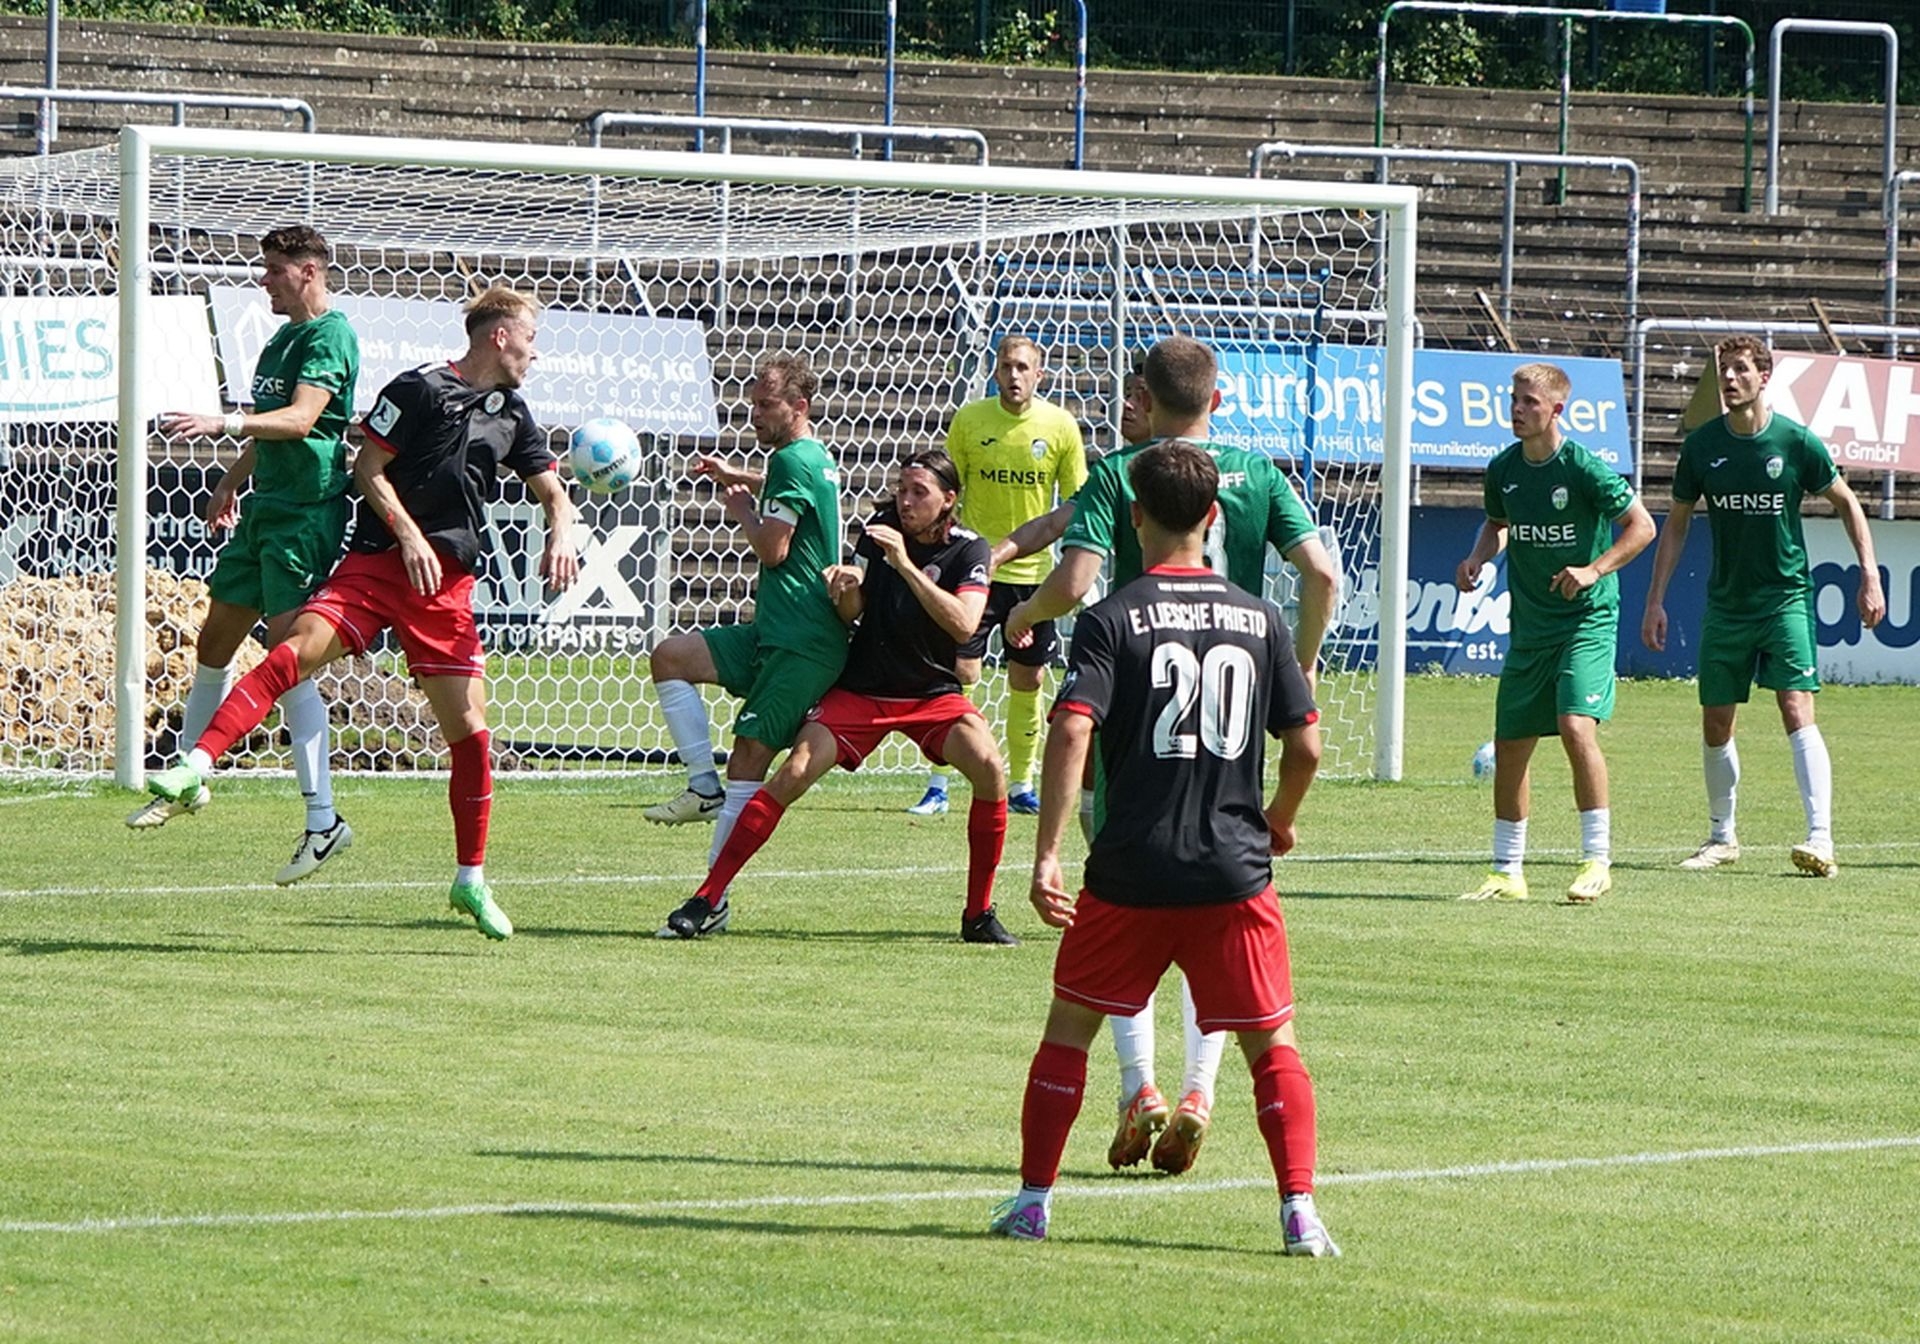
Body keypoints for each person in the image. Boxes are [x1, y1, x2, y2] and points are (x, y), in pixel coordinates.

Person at [997, 335, 1339, 1178]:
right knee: (1216, 920)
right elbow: (1323, 575)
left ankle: (1137, 1086)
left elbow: (1076, 582)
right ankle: (1200, 1093)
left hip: (1134, 709)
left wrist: (1022, 617)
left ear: (1143, 399)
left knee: (1128, 907)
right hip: (1232, 712)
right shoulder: (1256, 474)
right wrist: (1297, 667)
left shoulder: (1123, 472)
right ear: (1217, 401)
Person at [142, 287, 578, 940]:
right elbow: (370, 466)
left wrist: (561, 530)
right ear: (500, 336)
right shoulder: (420, 388)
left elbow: (553, 491)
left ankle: (470, 879)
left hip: (445, 589)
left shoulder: (512, 413)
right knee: (291, 653)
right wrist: (408, 535)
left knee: (472, 736)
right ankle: (195, 765)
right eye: (531, 339)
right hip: (377, 565)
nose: (535, 354)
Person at [657, 451, 1018, 943]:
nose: (905, 501)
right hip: (863, 688)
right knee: (794, 771)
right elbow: (853, 612)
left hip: (930, 694)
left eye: (919, 493)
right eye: (902, 489)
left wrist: (903, 564)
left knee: (990, 768)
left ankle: (978, 914)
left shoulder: (969, 550)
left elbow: (963, 624)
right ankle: (707, 898)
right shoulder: (879, 530)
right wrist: (846, 589)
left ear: (948, 500)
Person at [128, 225, 360, 887]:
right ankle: (188, 779)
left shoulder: (330, 336)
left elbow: (301, 421)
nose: (264, 281)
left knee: (289, 662)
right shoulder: (282, 339)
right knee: (215, 641)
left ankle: (323, 820)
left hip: (305, 517)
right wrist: (231, 480)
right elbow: (271, 427)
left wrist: (220, 423)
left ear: (309, 271)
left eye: (275, 270)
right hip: (264, 511)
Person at [1641, 335, 1884, 877]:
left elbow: (1847, 503)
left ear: (1764, 377)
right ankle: (1721, 837)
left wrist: (1869, 574)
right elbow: (1676, 524)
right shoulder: (1702, 447)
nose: (1729, 379)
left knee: (1796, 707)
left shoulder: (1794, 441)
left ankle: (1820, 838)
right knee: (1716, 720)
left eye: (1740, 370)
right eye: (1724, 370)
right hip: (1727, 605)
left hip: (1785, 599)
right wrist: (1655, 599)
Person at [640, 353, 850, 934]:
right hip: (771, 630)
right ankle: (701, 786)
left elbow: (773, 550)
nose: (753, 414)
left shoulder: (791, 460)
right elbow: (794, 489)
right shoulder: (811, 458)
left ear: (798, 406)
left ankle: (713, 903)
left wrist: (740, 508)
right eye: (752, 403)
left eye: (765, 405)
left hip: (802, 639)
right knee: (670, 656)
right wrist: (739, 475)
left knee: (750, 757)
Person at [1454, 363, 1656, 904]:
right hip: (1531, 626)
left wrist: (1594, 569)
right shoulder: (1503, 470)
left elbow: (1642, 526)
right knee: (1511, 744)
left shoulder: (1583, 468)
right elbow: (1497, 524)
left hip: (1585, 619)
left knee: (1575, 726)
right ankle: (1506, 872)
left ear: (1557, 410)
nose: (1517, 410)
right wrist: (1477, 558)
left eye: (1530, 402)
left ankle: (1596, 861)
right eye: (1514, 400)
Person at [908, 335, 1087, 819]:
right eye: (1007, 366)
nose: (1014, 375)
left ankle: (1022, 783)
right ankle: (939, 783)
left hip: (1033, 574)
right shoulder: (971, 420)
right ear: (994, 371)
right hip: (974, 569)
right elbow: (946, 491)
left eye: (1023, 367)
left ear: (1039, 374)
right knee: (958, 672)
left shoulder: (1060, 426)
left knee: (1028, 678)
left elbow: (1075, 502)